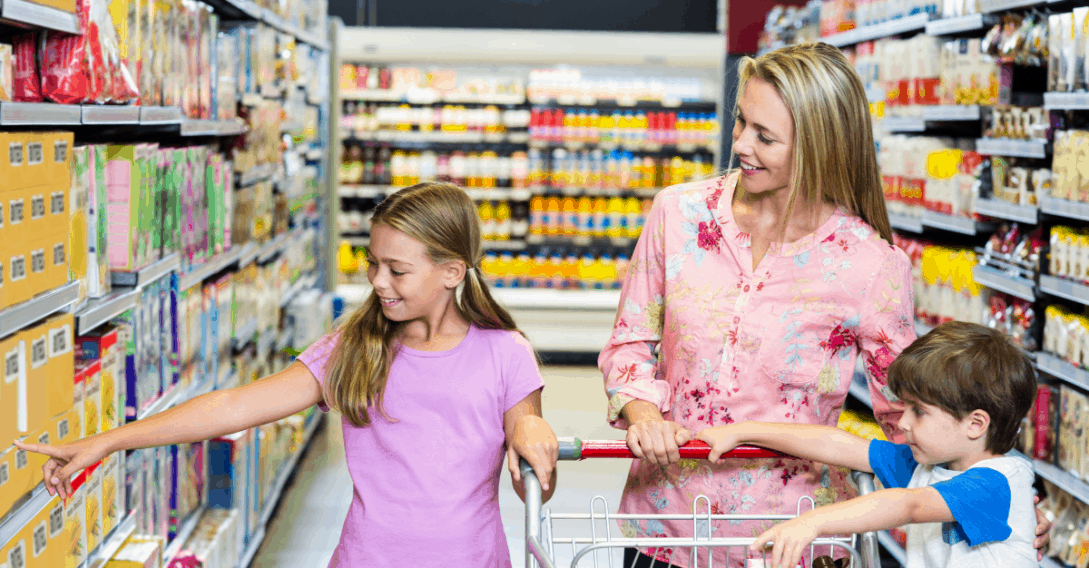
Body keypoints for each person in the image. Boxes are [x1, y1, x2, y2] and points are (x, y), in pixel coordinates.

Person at [598, 42, 1050, 568]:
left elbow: (918, 411)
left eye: (765, 136)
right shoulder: (677, 214)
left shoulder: (870, 265)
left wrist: (1004, 495)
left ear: (819, 144)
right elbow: (629, 342)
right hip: (669, 524)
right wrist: (644, 413)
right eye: (741, 121)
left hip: (797, 538)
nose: (740, 143)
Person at [15, 182, 560, 567]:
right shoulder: (355, 348)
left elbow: (532, 459)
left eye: (397, 270)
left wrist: (533, 435)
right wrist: (109, 442)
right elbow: (232, 407)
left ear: (451, 272)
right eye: (372, 263)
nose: (378, 281)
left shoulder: (505, 352)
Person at [697, 322, 1038, 568]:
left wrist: (813, 522)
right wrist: (744, 431)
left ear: (975, 424)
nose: (903, 423)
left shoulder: (998, 482)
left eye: (919, 411)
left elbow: (908, 506)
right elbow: (835, 445)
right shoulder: (930, 465)